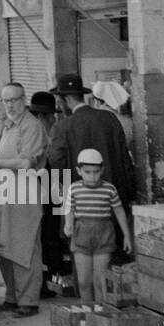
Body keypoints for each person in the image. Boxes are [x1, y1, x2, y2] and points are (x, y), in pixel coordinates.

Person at [47, 73, 136, 256]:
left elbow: (57, 164)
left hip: (80, 210)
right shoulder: (110, 119)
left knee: (82, 265)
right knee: (113, 262)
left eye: (59, 100)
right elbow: (125, 160)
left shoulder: (62, 126)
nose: (58, 106)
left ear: (66, 100)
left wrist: (63, 210)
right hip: (111, 205)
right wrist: (127, 197)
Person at [0, 82, 49, 317]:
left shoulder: (31, 126)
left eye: (14, 100)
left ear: (24, 100)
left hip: (24, 194)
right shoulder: (7, 125)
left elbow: (26, 163)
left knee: (25, 246)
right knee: (5, 245)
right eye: (5, 100)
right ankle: (12, 297)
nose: (10, 105)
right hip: (5, 194)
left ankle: (29, 300)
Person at [62, 148, 133, 305]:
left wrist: (127, 236)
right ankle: (87, 313)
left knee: (99, 281)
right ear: (79, 171)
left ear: (102, 170)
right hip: (81, 237)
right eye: (87, 172)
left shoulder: (109, 189)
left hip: (104, 237)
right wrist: (68, 225)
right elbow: (69, 209)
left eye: (96, 172)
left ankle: (101, 315)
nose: (92, 177)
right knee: (83, 281)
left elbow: (119, 211)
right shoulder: (74, 189)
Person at [28, 91, 68, 293]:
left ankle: (44, 282)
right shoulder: (39, 135)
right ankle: (43, 283)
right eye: (52, 115)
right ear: (43, 116)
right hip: (44, 196)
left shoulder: (30, 132)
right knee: (47, 237)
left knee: (44, 238)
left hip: (42, 195)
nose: (54, 119)